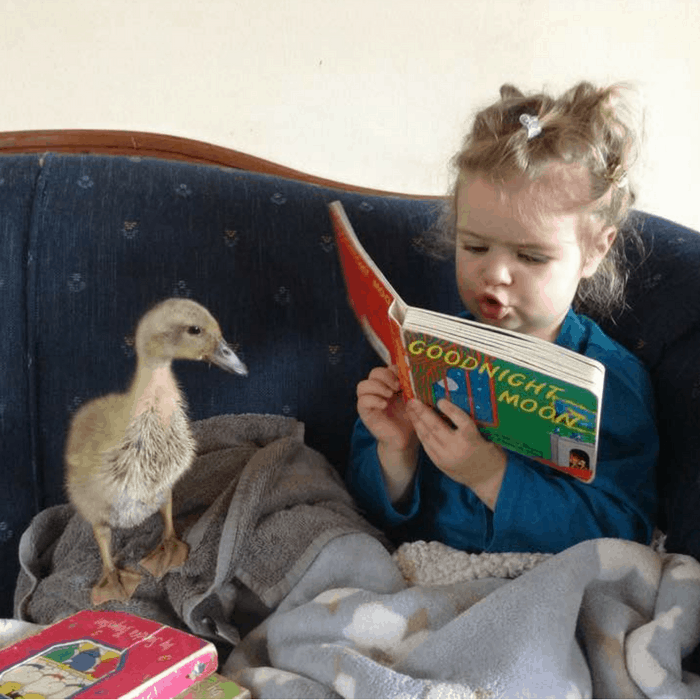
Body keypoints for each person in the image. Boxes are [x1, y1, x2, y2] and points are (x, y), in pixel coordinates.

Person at [345, 82, 658, 554]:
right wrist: (395, 452)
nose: (494, 273)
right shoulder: (427, 349)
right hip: (419, 574)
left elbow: (622, 528)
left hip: (540, 584)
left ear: (596, 250)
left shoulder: (610, 381)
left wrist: (490, 476)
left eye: (531, 257)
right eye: (474, 247)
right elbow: (365, 511)